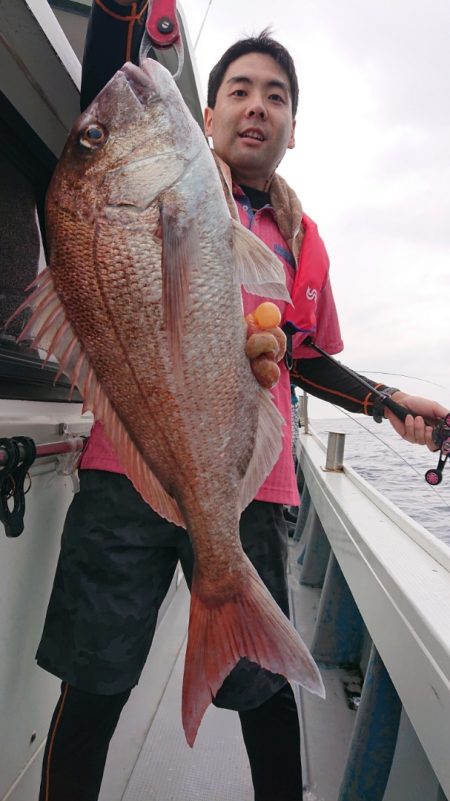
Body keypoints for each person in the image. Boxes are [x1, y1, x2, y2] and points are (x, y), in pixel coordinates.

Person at [37, 4, 449, 800]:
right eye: (239, 90)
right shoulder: (159, 187)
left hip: (253, 490)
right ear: (207, 112)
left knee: (266, 697)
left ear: (294, 128)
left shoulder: (304, 240)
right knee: (94, 684)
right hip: (125, 469)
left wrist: (384, 399)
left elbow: (303, 352)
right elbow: (111, 77)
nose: (257, 105)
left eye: (277, 96)